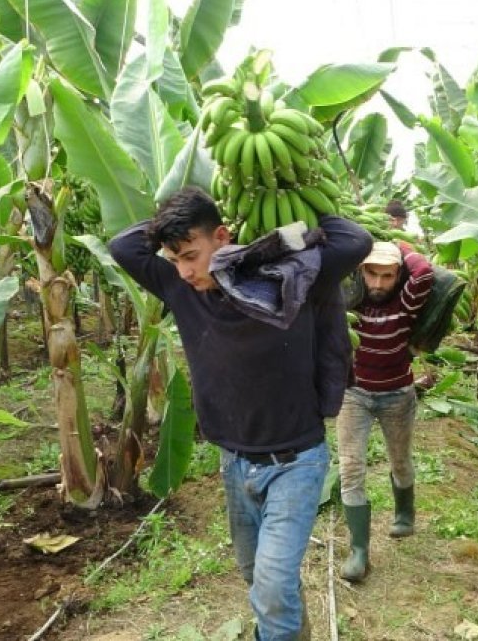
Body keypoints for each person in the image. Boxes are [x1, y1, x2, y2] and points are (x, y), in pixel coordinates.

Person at [109, 187, 371, 639]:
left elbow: (354, 240)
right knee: (259, 577)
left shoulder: (290, 277)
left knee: (270, 585)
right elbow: (123, 246)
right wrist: (175, 222)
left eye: (192, 255)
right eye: (176, 260)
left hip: (296, 462)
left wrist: (290, 198)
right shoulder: (179, 286)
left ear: (223, 236)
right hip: (235, 463)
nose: (186, 271)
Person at [337, 240, 434, 582]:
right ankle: (359, 551)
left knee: (401, 461)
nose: (378, 284)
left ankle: (404, 514)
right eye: (371, 273)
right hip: (355, 395)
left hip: (397, 394)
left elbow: (423, 271)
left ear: (398, 275)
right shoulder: (348, 302)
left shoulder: (407, 301)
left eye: (387, 276)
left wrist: (396, 243)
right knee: (350, 469)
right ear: (360, 271)